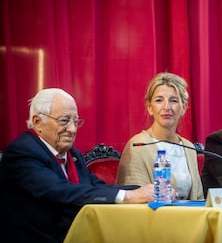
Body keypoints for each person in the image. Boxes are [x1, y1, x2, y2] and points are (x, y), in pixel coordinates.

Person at [0, 88, 155, 243]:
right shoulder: (22, 152)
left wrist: (146, 190)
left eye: (75, 121)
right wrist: (127, 197)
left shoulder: (73, 155)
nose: (72, 129)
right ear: (37, 122)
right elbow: (60, 190)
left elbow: (96, 186)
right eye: (64, 121)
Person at [116, 72, 204, 200]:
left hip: (191, 218)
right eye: (159, 100)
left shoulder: (188, 147)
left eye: (173, 100)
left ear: (184, 107)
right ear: (150, 107)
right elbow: (133, 201)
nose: (166, 107)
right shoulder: (138, 146)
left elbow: (199, 197)